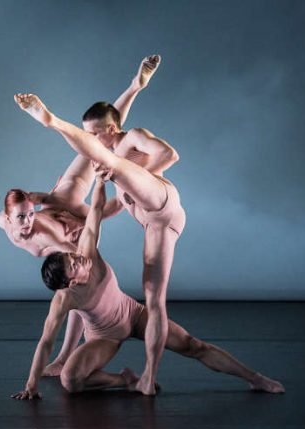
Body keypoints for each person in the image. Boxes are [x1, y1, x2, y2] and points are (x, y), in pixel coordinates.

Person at [11, 179, 284, 399]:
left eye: (73, 256)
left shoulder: (88, 254)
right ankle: (126, 381)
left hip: (134, 315)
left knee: (192, 345)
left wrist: (101, 180)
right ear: (71, 283)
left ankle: (256, 379)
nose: (79, 258)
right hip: (103, 337)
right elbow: (46, 341)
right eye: (74, 264)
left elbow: (94, 211)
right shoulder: (64, 300)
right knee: (70, 380)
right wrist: (31, 385)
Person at [14, 78, 188, 395]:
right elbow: (101, 211)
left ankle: (51, 119)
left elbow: (165, 154)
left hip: (153, 199)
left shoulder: (114, 151)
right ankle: (139, 377)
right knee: (151, 298)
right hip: (149, 216)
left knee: (108, 160)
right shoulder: (76, 199)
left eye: (93, 133)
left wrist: (126, 181)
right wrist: (106, 200)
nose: (90, 141)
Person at [0, 56, 162, 257]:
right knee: (118, 200)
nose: (27, 221)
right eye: (22, 217)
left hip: (62, 199)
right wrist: (79, 224)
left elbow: (82, 255)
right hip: (73, 213)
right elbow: (77, 250)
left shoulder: (35, 230)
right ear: (8, 219)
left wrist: (41, 198)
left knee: (100, 139)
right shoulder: (3, 220)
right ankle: (134, 87)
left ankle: (134, 87)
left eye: (29, 215)